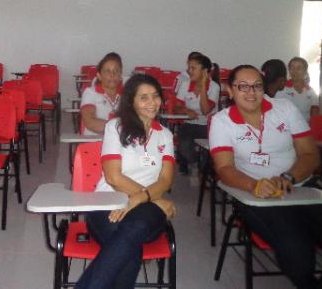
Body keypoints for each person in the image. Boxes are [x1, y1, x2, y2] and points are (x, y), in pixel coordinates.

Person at [209, 65, 322, 289]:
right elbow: (224, 168)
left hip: (300, 187)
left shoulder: (284, 108)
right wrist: (255, 185)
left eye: (257, 86)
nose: (251, 92)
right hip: (256, 197)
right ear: (231, 90)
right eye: (242, 86)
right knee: (299, 257)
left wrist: (289, 177)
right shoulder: (222, 121)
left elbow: (310, 155)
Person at [76, 74, 176, 289]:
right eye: (144, 97)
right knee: (130, 249)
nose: (152, 102)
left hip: (146, 211)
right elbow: (114, 178)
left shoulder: (165, 135)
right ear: (131, 101)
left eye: (156, 96)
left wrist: (141, 199)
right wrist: (151, 198)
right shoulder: (116, 126)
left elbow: (166, 180)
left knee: (134, 228)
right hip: (108, 202)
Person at [174, 54, 220, 175]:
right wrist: (186, 111)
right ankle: (194, 164)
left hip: (207, 126)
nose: (189, 71)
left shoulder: (214, 87)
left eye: (193, 68)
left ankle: (200, 167)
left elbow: (205, 110)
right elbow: (176, 107)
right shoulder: (185, 84)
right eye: (189, 67)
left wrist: (203, 86)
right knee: (183, 143)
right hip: (189, 124)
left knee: (206, 150)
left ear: (205, 71)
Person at [80, 52, 123, 135]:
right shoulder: (90, 93)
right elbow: (90, 122)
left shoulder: (127, 94)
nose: (112, 75)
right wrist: (120, 128)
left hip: (121, 144)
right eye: (107, 71)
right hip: (95, 143)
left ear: (120, 75)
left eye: (116, 71)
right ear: (99, 76)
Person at [277, 57, 320, 122]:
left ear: (305, 71)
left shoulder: (311, 92)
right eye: (292, 68)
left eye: (299, 68)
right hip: (286, 129)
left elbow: (315, 116)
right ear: (289, 70)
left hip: (305, 128)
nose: (295, 71)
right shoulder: (281, 89)